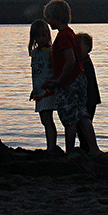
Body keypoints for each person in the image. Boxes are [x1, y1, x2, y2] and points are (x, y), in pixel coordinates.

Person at [42, 0, 102, 156]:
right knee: (82, 115)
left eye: (49, 18)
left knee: (69, 118)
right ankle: (94, 149)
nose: (48, 21)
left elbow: (70, 60)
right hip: (79, 80)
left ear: (55, 17)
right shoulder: (71, 35)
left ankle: (69, 152)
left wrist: (60, 81)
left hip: (70, 82)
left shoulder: (63, 37)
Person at [28, 19, 59, 152]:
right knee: (44, 120)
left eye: (44, 35)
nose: (42, 38)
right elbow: (37, 73)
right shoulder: (35, 54)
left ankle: (51, 147)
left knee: (47, 120)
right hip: (39, 91)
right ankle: (50, 146)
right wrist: (34, 90)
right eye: (38, 36)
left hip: (49, 90)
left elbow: (55, 69)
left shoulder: (51, 51)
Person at [75, 32, 101, 153]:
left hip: (89, 98)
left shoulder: (84, 61)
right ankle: (85, 147)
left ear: (88, 48)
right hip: (89, 97)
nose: (77, 47)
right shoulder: (82, 60)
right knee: (82, 124)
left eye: (80, 45)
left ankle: (87, 147)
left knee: (85, 121)